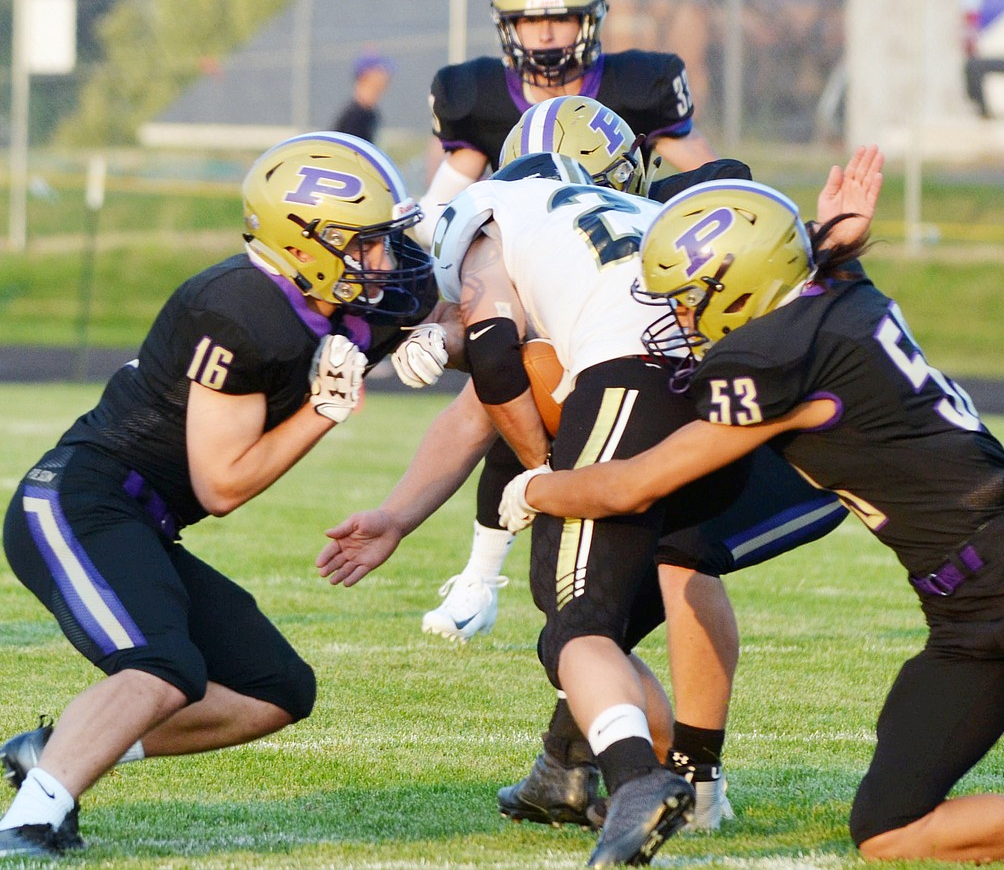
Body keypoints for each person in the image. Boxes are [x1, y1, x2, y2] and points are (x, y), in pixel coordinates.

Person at [498, 159, 1004, 862]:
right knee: (887, 834)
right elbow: (821, 264)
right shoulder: (832, 293)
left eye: (686, 299)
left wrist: (534, 488)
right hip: (960, 613)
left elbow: (634, 486)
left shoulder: (779, 354)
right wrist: (834, 234)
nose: (677, 317)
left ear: (740, 294)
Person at [318, 141, 853, 864]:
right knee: (636, 578)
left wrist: (549, 479)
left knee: (573, 619)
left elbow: (498, 361)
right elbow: (485, 400)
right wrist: (398, 518)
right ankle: (611, 773)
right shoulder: (601, 223)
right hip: (720, 378)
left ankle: (638, 781)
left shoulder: (484, 225)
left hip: (637, 377)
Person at [0, 132, 444, 859]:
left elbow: (453, 311)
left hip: (142, 519)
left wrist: (442, 339)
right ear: (306, 243)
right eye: (364, 244)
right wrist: (323, 410)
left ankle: (58, 753)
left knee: (276, 689)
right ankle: (26, 824)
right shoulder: (238, 310)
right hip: (80, 501)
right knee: (163, 666)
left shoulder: (340, 294)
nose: (383, 261)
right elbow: (220, 487)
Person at [408, 0, 719, 646]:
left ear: (592, 20)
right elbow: (444, 211)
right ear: (506, 29)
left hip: (618, 278)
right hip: (527, 280)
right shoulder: (476, 97)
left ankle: (503, 549)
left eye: (560, 19)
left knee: (510, 388)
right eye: (530, 21)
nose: (545, 34)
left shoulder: (640, 85)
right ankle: (483, 572)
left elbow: (707, 178)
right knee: (504, 384)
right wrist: (432, 320)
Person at [332, 52, 394, 143]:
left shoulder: (371, 113)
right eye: (380, 70)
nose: (386, 75)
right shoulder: (354, 114)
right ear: (365, 75)